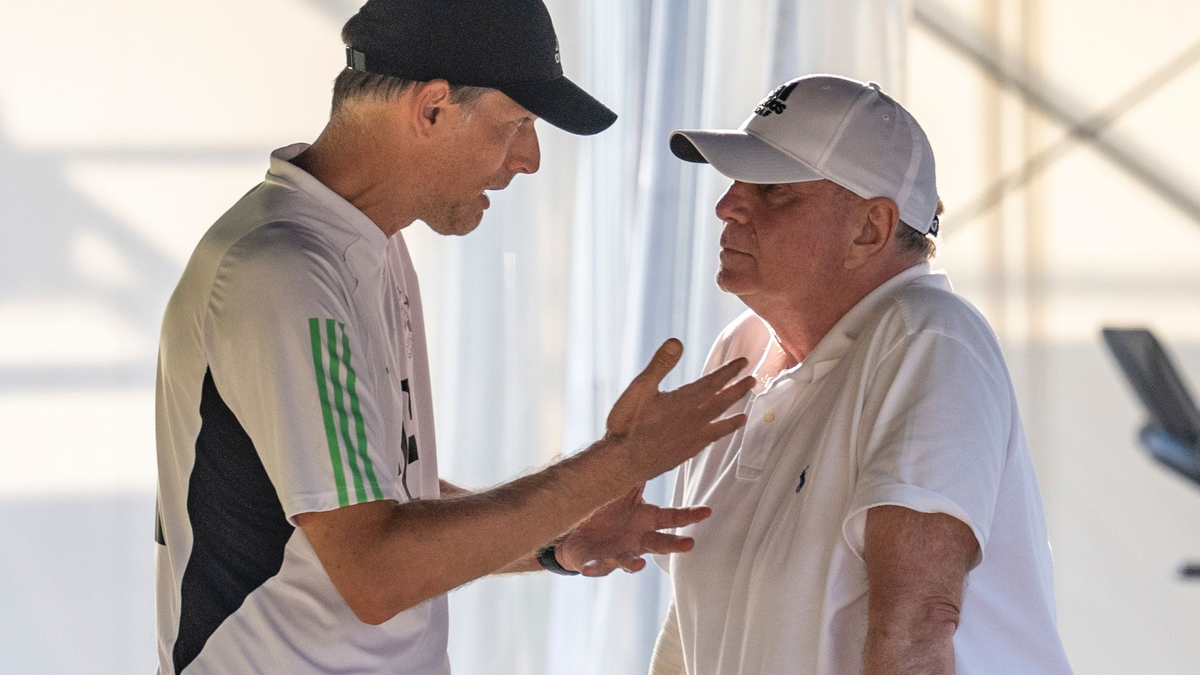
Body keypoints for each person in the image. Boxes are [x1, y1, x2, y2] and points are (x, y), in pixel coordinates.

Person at [153, 1, 755, 673]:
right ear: (432, 107)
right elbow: (375, 568)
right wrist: (621, 460)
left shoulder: (366, 246)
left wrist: (556, 536)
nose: (528, 159)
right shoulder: (285, 271)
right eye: (518, 123)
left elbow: (381, 494)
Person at [648, 75, 1075, 675]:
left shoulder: (929, 337)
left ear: (870, 228)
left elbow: (917, 625)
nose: (728, 205)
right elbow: (692, 626)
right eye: (735, 183)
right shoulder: (738, 351)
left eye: (774, 191)